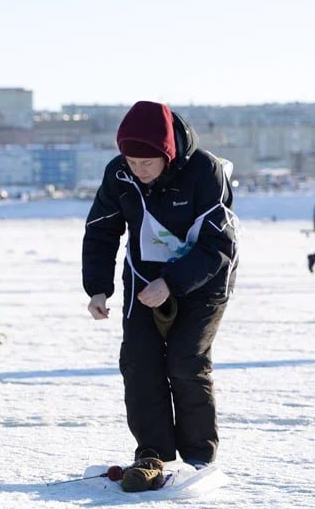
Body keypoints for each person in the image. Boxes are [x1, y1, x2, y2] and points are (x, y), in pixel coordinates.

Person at [82, 101, 239, 483]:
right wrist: (98, 288)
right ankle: (151, 453)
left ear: (168, 154)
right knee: (139, 362)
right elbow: (102, 229)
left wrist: (172, 282)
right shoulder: (119, 173)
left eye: (147, 163)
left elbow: (219, 246)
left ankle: (198, 457)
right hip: (142, 279)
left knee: (186, 361)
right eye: (131, 162)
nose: (138, 170)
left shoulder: (205, 171)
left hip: (204, 280)